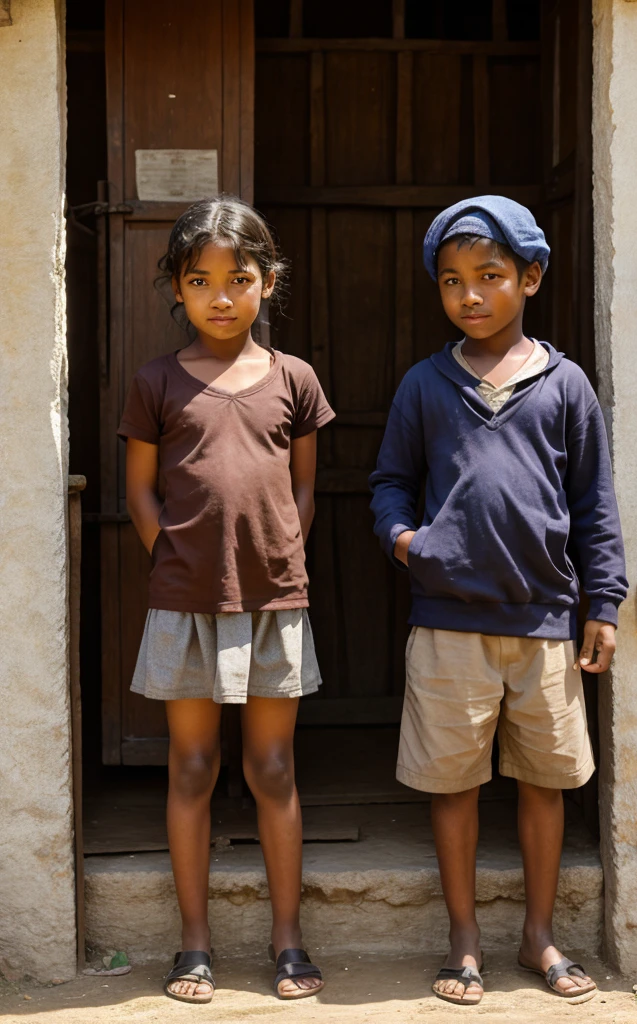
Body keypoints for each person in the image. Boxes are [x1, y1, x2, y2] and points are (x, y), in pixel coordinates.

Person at [370, 195, 627, 1008]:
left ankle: (539, 933)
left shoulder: (564, 384)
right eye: (452, 281)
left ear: (532, 277)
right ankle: (465, 937)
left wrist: (604, 602)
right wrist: (408, 542)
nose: (470, 296)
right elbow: (388, 485)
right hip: (449, 624)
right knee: (455, 786)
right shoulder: (425, 383)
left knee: (544, 784)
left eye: (489, 277)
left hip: (546, 622)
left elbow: (594, 503)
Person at [118, 194, 334, 1004]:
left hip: (275, 603)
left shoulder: (294, 379)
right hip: (184, 604)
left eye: (238, 278)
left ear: (267, 282)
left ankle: (286, 938)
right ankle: (195, 945)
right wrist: (172, 561)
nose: (219, 295)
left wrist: (280, 558)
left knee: (273, 767)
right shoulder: (156, 382)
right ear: (176, 287)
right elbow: (139, 491)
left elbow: (304, 488)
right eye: (199, 279)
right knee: (194, 765)